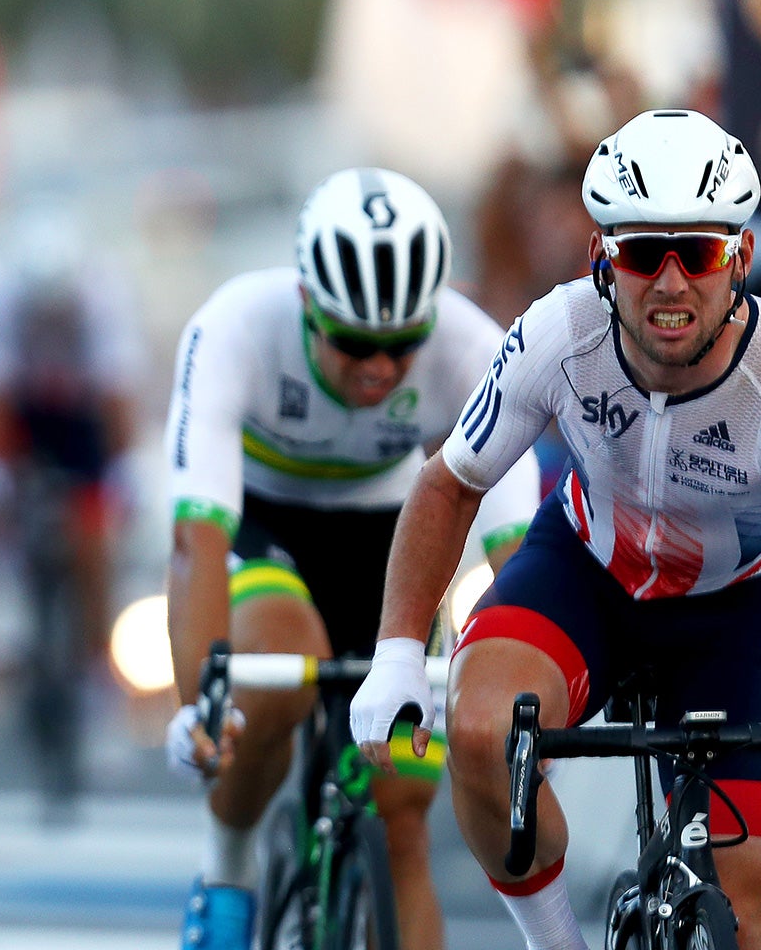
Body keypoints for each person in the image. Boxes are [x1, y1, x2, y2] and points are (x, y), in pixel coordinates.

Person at [350, 111, 761, 950]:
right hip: (586, 573)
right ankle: (554, 943)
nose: (672, 283)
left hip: (733, 611)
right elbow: (447, 486)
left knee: (747, 914)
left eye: (702, 253)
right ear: (603, 262)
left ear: (744, 260)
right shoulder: (559, 332)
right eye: (645, 253)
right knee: (477, 730)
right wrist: (397, 652)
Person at [163, 167, 540, 950]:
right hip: (264, 524)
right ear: (309, 303)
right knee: (276, 671)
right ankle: (226, 867)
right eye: (355, 343)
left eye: (402, 345)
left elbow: (521, 552)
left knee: (403, 809)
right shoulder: (235, 326)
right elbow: (196, 536)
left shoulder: (472, 347)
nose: (378, 367)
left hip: (387, 539)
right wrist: (197, 704)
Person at [0, 212, 140, 811]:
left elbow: (118, 405)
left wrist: (120, 482)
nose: (49, 323)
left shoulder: (102, 299)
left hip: (81, 417)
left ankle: (97, 691)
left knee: (95, 544)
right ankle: (6, 603)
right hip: (20, 410)